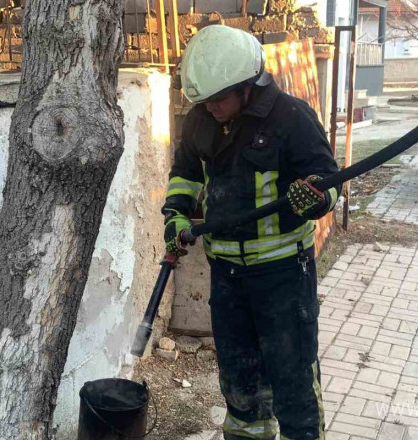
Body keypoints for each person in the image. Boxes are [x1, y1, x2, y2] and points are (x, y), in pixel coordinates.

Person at [162, 25, 338, 440]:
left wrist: (315, 197)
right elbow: (184, 175)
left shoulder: (291, 118)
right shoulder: (199, 123)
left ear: (248, 86)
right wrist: (176, 214)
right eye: (202, 102)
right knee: (240, 389)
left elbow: (330, 182)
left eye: (218, 99)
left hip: (283, 278)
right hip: (227, 280)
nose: (210, 109)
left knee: (293, 386)